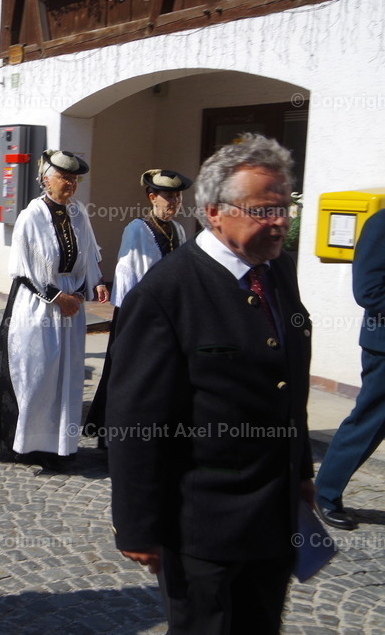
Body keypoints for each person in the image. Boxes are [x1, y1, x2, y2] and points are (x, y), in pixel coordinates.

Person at [106, 134, 313, 633]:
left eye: (284, 208)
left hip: (274, 515)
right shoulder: (166, 293)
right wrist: (137, 524)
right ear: (216, 212)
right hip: (203, 526)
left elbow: (288, 382)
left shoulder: (278, 269)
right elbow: (135, 417)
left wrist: (301, 471)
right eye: (265, 211)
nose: (281, 222)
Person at [0, 150, 108, 467]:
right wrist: (55, 297)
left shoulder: (79, 213)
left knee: (67, 375)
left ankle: (60, 443)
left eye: (75, 179)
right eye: (65, 178)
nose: (71, 185)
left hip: (70, 308)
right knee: (38, 374)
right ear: (46, 179)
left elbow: (89, 254)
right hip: (38, 308)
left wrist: (97, 282)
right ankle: (27, 443)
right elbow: (22, 270)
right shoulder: (31, 215)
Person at [85, 169, 191, 446]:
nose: (174, 202)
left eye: (177, 196)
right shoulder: (137, 229)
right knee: (130, 375)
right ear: (152, 197)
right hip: (138, 316)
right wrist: (133, 317)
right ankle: (117, 436)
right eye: (168, 196)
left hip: (167, 319)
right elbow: (126, 274)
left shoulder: (177, 230)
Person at [314, 206, 385, 530]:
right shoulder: (380, 224)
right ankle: (325, 493)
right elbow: (368, 291)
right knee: (369, 420)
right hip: (383, 345)